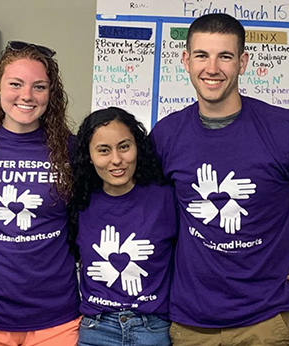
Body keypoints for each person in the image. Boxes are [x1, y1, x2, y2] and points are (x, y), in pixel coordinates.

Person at [150, 13, 289, 346]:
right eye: (202, 55)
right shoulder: (166, 135)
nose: (212, 68)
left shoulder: (288, 131)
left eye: (225, 56)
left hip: (264, 324)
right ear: (186, 60)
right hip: (189, 327)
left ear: (242, 62)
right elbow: (148, 222)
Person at [0, 41, 80, 346]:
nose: (27, 96)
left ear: (50, 95)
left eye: (39, 87)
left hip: (57, 316)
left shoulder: (71, 149)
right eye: (16, 84)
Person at [71, 107, 177, 346]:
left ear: (138, 146)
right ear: (88, 155)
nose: (116, 160)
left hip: (153, 329)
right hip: (96, 329)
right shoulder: (79, 202)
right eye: (103, 150)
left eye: (124, 146)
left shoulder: (165, 197)